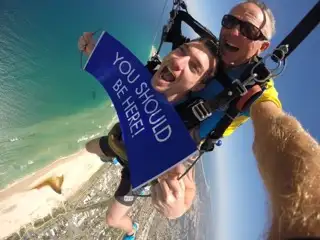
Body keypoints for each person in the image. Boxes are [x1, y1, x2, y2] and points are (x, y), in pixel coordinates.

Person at [153, 0, 320, 238]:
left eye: (248, 30)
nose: (233, 31)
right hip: (161, 110)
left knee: (177, 202)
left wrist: (310, 204)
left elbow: (275, 127)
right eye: (229, 21)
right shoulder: (209, 49)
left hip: (186, 139)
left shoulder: (256, 87)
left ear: (263, 47)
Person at [78, 33, 219, 240]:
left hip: (137, 172)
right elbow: (117, 69)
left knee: (113, 220)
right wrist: (91, 48)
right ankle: (112, 158)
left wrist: (176, 209)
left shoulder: (182, 127)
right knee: (88, 147)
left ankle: (131, 229)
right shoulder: (144, 77)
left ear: (199, 86)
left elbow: (188, 186)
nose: (179, 61)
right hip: (121, 143)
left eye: (194, 66)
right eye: (182, 50)